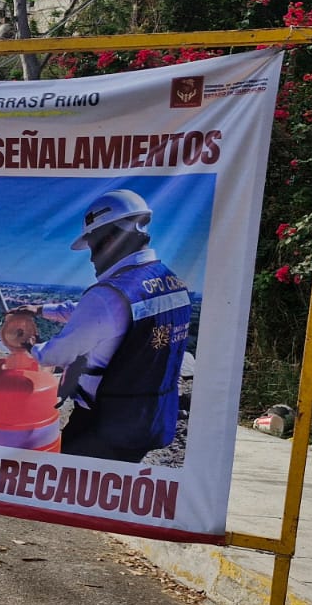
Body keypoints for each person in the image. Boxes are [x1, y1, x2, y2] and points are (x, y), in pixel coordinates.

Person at [23, 189, 192, 463]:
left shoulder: (107, 296)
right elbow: (108, 319)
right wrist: (40, 309)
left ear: (110, 240)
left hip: (105, 424)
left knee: (72, 488)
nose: (91, 259)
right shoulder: (172, 283)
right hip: (154, 414)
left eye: (92, 247)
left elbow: (57, 354)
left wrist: (28, 346)